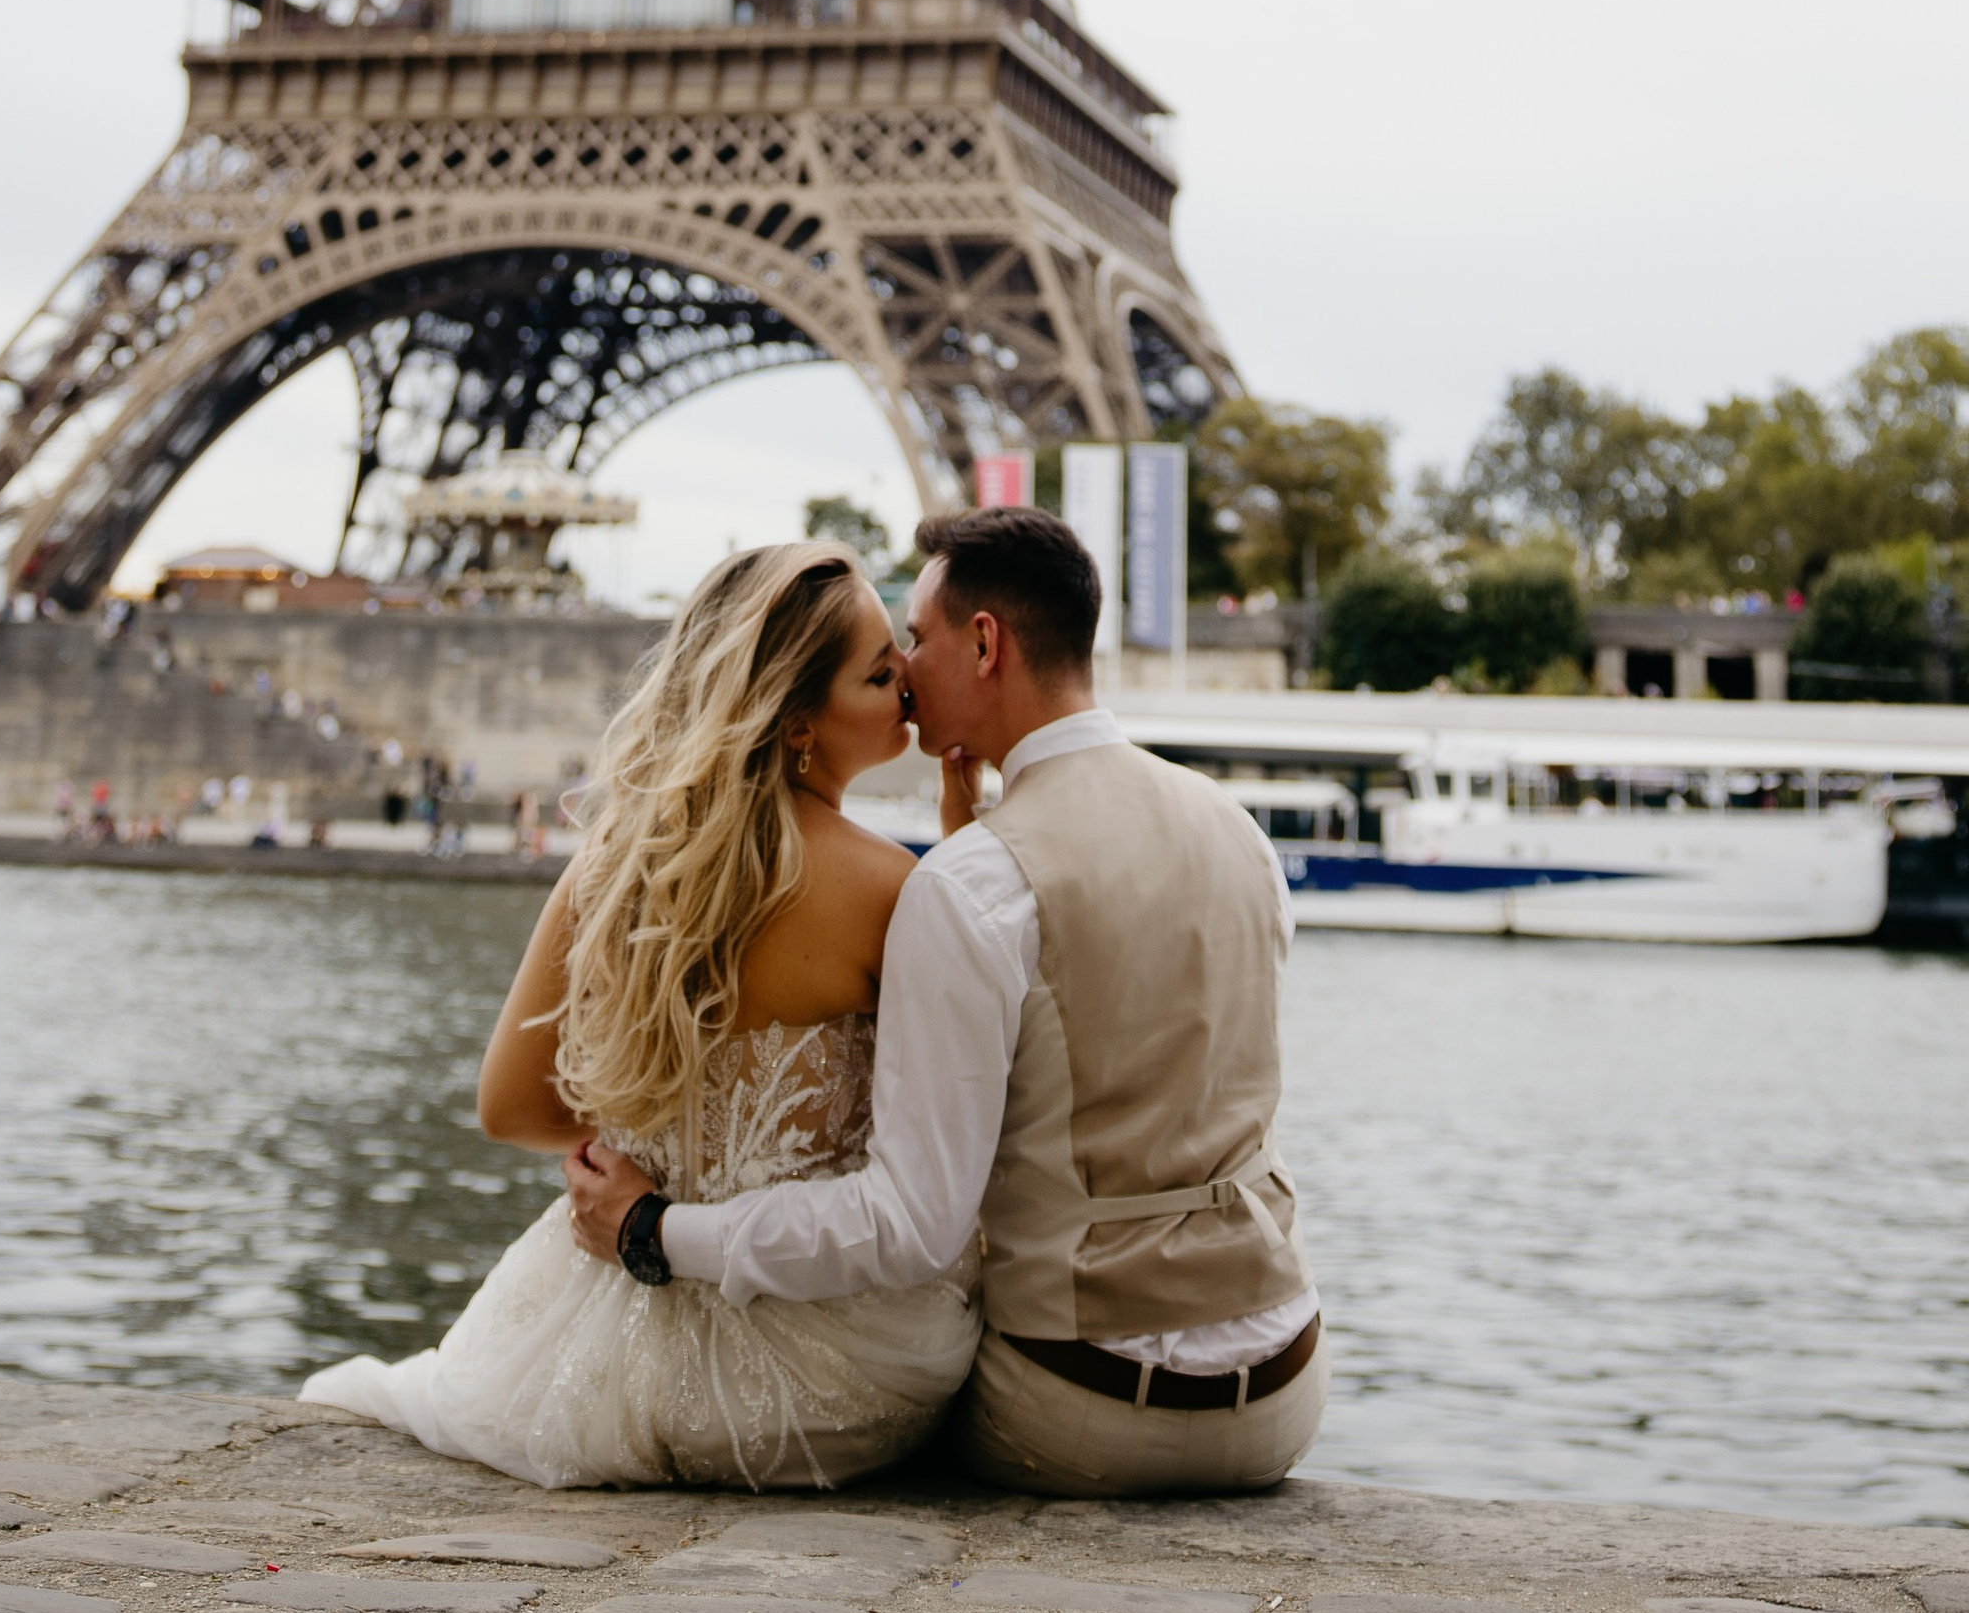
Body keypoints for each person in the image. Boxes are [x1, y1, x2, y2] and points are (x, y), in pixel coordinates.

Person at [569, 503, 1326, 1498]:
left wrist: (654, 1233)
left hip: (1088, 1410)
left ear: (984, 642)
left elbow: (908, 1226)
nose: (905, 671)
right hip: (1283, 1392)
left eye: (915, 639)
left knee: (862, 1385)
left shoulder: (975, 884)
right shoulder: (1239, 834)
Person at [298, 542, 976, 1488]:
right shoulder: (893, 890)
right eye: (876, 672)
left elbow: (508, 1109)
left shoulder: (617, 870)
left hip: (607, 1357)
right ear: (796, 725)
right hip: (836, 1388)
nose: (906, 677)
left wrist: (652, 1118)